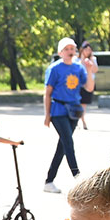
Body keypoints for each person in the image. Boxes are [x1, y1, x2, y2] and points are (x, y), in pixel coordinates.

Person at [42, 38, 93, 192]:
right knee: (68, 143)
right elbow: (47, 93)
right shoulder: (54, 69)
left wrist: (89, 70)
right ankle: (79, 180)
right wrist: (47, 115)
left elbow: (89, 88)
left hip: (74, 110)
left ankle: (49, 181)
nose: (70, 51)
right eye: (67, 49)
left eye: (72, 48)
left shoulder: (79, 68)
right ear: (60, 52)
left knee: (63, 146)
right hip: (58, 111)